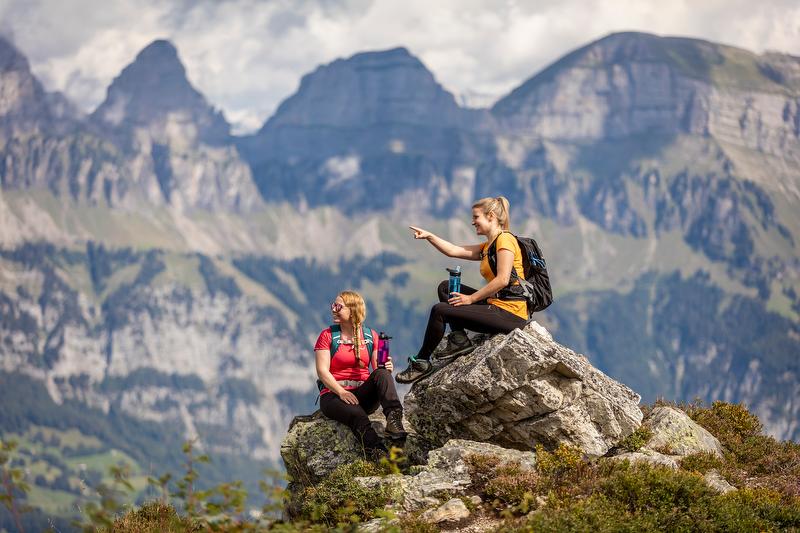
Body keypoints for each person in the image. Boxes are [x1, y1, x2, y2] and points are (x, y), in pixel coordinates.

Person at [396, 196, 529, 384]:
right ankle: (459, 340)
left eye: (476, 217)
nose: (472, 221)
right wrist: (430, 236)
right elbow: (453, 250)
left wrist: (471, 299)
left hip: (510, 314)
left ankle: (422, 362)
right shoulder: (488, 246)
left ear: (490, 216)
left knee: (439, 311)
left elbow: (503, 279)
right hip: (497, 305)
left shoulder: (505, 241)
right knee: (446, 287)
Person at [315, 290, 406, 457]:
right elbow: (322, 371)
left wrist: (387, 367)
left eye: (338, 306)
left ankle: (394, 419)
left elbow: (378, 368)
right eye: (333, 305)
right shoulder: (327, 335)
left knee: (382, 374)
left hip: (362, 394)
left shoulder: (371, 336)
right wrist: (341, 392)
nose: (333, 309)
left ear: (352, 310)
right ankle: (378, 453)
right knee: (358, 415)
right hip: (333, 395)